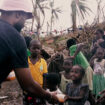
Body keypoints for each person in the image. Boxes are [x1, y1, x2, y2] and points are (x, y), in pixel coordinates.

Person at [0, 0, 58, 102]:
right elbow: (29, 85)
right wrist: (49, 96)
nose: (23, 25)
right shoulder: (15, 38)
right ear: (18, 14)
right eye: (25, 20)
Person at [23, 39, 48, 105]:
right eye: (34, 48)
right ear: (29, 48)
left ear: (40, 50)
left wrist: (44, 89)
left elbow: (45, 76)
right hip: (28, 90)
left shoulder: (43, 62)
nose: (36, 50)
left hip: (40, 90)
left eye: (38, 48)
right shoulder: (25, 61)